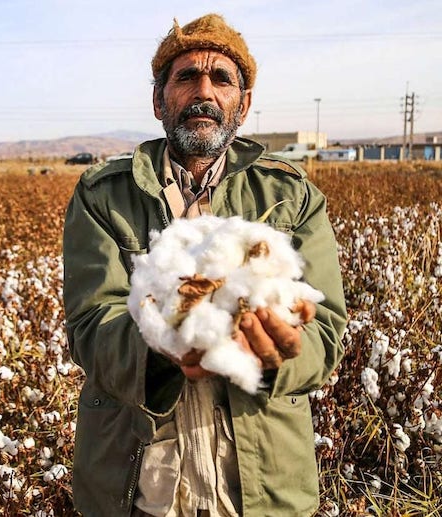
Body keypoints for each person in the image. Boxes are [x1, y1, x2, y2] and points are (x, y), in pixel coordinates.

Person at [63, 13, 347, 517]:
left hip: (261, 487)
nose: (205, 92)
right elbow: (91, 325)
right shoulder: (102, 196)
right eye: (186, 77)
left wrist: (277, 354)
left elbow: (325, 331)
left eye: (222, 79)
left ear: (244, 103)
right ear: (159, 100)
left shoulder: (292, 196)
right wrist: (161, 351)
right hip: (144, 487)